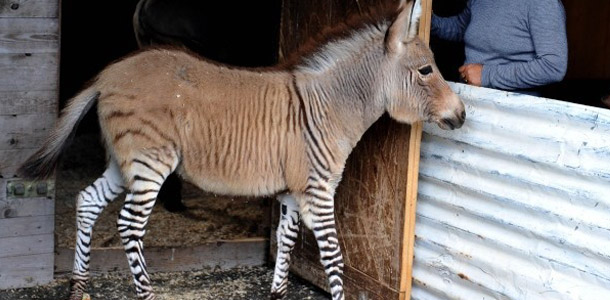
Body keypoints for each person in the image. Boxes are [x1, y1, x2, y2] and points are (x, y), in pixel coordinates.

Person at [431, 0, 568, 94]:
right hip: (470, 101)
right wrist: (429, 21)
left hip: (512, 111)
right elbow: (461, 28)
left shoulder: (543, 4)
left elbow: (553, 67)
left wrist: (486, 75)